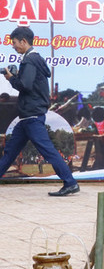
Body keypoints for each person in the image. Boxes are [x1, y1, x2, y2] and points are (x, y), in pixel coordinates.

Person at [0, 26, 79, 196]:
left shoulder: (29, 60)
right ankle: (70, 182)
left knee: (48, 150)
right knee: (10, 151)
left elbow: (25, 85)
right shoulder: (35, 60)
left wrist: (11, 79)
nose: (13, 46)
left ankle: (70, 182)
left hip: (32, 116)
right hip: (28, 116)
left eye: (14, 43)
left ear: (23, 41)